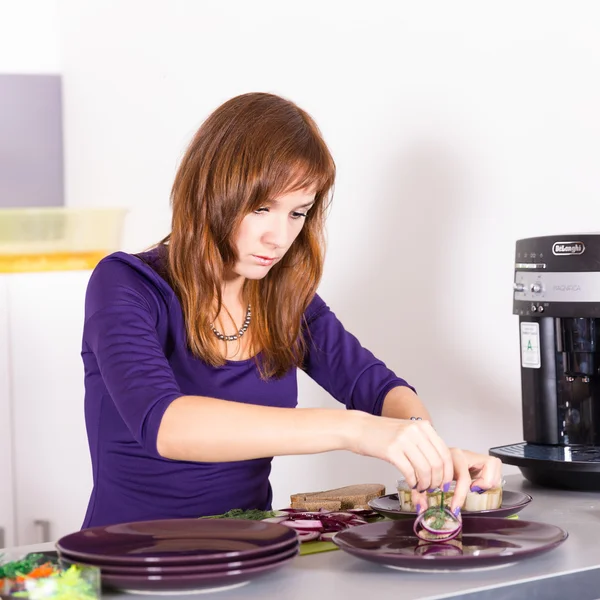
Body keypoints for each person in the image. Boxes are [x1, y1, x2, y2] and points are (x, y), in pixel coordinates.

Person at [81, 92, 501, 529]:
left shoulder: (285, 300)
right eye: (261, 208)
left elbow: (377, 387)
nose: (279, 237)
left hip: (248, 554)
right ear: (209, 193)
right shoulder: (126, 284)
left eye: (297, 213)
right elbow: (165, 424)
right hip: (127, 560)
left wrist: (427, 450)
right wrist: (354, 431)